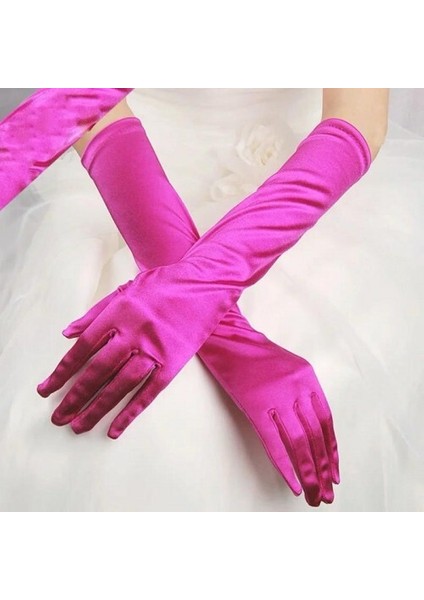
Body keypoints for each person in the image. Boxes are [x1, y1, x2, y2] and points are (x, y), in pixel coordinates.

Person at [3, 88, 420, 512]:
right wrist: (230, 338)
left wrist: (197, 285)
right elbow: (79, 95)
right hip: (123, 174)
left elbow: (357, 120)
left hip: (309, 175)